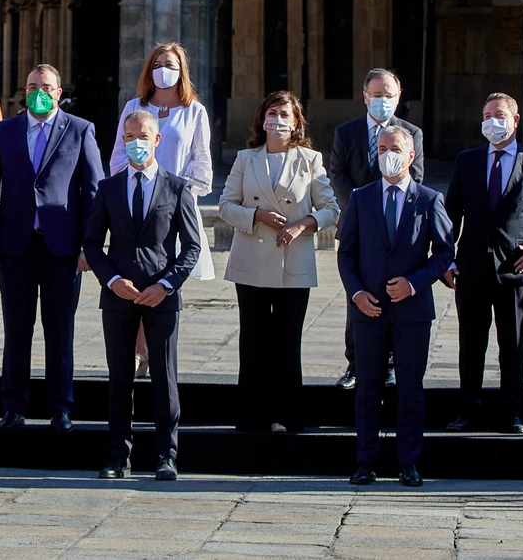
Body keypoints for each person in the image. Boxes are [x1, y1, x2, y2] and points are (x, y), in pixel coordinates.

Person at [0, 63, 102, 432]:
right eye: (32, 86)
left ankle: (60, 406)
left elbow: (92, 192)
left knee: (59, 329)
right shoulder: (5, 131)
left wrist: (88, 246)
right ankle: (13, 405)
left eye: (46, 86)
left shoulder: (80, 130)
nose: (38, 92)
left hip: (63, 248)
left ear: (59, 92)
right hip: (14, 246)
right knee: (17, 328)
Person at [87, 109, 201, 482]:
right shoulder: (109, 188)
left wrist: (166, 284)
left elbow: (191, 247)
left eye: (143, 136)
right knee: (120, 376)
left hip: (161, 295)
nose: (136, 143)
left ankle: (167, 454)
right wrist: (111, 279)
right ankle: (119, 455)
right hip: (119, 295)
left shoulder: (178, 187)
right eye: (129, 136)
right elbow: (91, 244)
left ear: (157, 140)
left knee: (164, 377)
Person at [215, 91, 338, 434]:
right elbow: (226, 205)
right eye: (272, 112)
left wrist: (303, 224)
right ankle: (251, 415)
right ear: (262, 118)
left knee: (287, 341)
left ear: (296, 121)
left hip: (292, 261)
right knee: (253, 340)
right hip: (251, 259)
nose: (278, 120)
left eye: (285, 114)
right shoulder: (245, 158)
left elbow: (330, 208)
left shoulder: (310, 159)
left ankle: (290, 414)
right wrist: (256, 215)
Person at [337, 124, 453, 488]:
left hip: (412, 313)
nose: (389, 154)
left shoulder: (430, 200)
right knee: (368, 387)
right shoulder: (362, 197)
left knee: (409, 389)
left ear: (410, 155)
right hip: (368, 310)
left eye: (396, 148)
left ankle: (409, 463)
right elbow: (347, 253)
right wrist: (356, 293)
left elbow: (445, 252)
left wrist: (414, 284)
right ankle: (365, 461)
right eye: (383, 148)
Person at [443, 93, 523, 433]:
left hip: (515, 269)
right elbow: (450, 215)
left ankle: (513, 411)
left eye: (501, 114)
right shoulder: (468, 160)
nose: (494, 120)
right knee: (471, 343)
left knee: (513, 345)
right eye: (488, 114)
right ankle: (468, 409)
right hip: (472, 267)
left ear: (516, 120)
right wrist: (445, 257)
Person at [108, 42, 216, 376]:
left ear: (181, 70)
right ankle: (139, 350)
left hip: (174, 205)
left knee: (165, 276)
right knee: (137, 272)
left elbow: (202, 164)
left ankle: (157, 349)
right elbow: (116, 159)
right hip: (137, 202)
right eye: (157, 63)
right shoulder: (133, 106)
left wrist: (177, 194)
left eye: (169, 63)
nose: (163, 69)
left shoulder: (194, 111)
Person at [329, 68, 426, 391]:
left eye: (389, 95)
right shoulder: (347, 132)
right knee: (357, 295)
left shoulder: (412, 133)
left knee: (395, 296)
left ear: (398, 98)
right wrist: (361, 207)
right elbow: (337, 174)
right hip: (357, 226)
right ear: (365, 96)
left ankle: (390, 366)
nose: (382, 100)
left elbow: (418, 178)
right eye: (377, 94)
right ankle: (355, 363)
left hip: (396, 228)